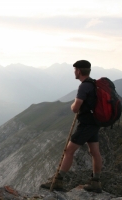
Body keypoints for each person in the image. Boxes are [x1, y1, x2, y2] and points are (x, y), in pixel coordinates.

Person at [40, 60, 102, 193]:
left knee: (69, 151)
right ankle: (96, 182)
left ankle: (58, 181)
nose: (74, 72)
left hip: (86, 125)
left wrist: (73, 105)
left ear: (79, 71)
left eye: (75, 70)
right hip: (95, 123)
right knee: (94, 152)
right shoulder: (93, 84)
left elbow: (75, 108)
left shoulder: (84, 86)